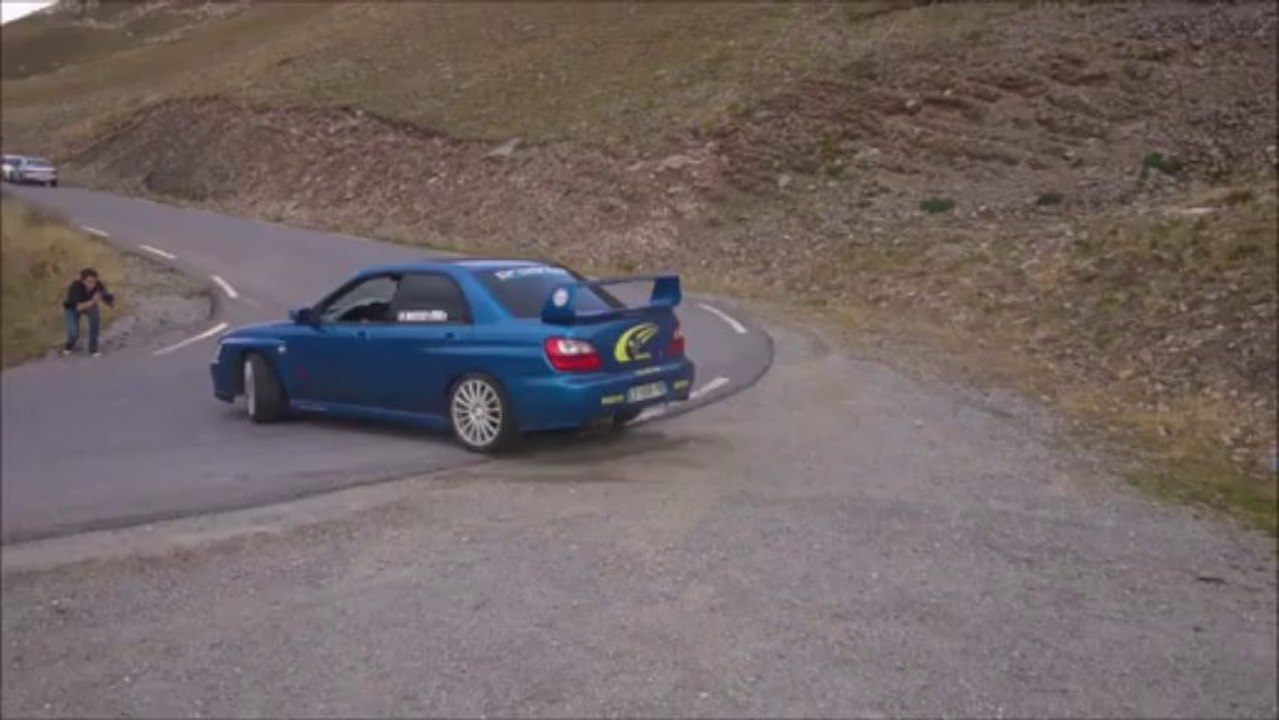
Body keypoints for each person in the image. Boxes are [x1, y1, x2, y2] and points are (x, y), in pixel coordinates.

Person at [61, 268, 115, 357]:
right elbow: (78, 307)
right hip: (73, 308)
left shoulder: (98, 285)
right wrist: (93, 301)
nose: (92, 284)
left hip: (89, 305)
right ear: (82, 281)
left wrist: (109, 301)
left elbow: (105, 296)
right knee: (73, 333)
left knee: (95, 317)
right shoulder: (75, 286)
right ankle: (69, 346)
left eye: (94, 282)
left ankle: (93, 348)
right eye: (89, 282)